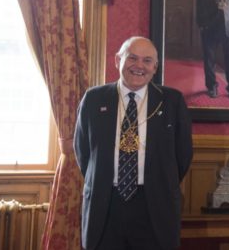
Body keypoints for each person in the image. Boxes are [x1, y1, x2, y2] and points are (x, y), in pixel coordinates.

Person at [74, 36, 193, 250]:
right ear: (118, 60)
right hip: (106, 204)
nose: (139, 66)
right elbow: (83, 152)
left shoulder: (172, 101)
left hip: (154, 205)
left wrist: (161, 181)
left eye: (147, 61)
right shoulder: (93, 99)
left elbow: (182, 156)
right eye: (132, 58)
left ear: (155, 67)